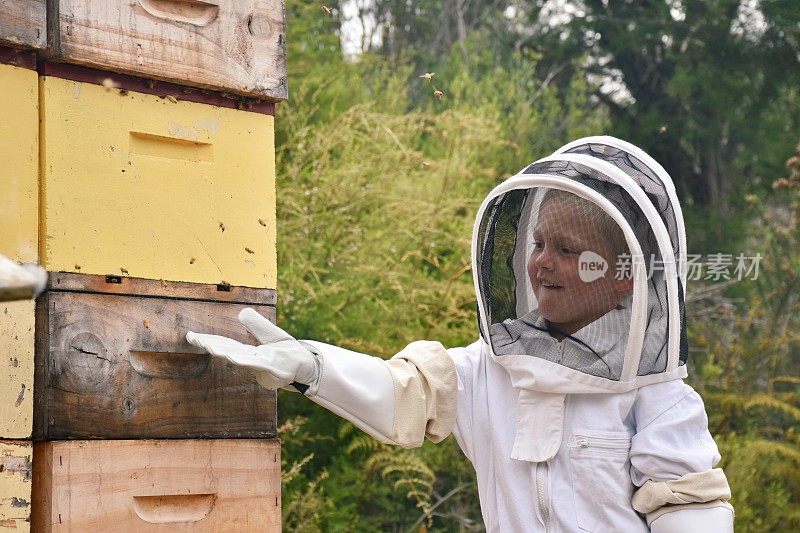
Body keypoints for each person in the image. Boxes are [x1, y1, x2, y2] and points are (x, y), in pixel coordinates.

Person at [187, 136, 734, 532]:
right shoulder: (491, 367)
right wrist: (313, 368)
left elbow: (688, 511)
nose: (541, 262)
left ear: (623, 279)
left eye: (568, 250)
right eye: (538, 243)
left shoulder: (655, 394)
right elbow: (402, 394)